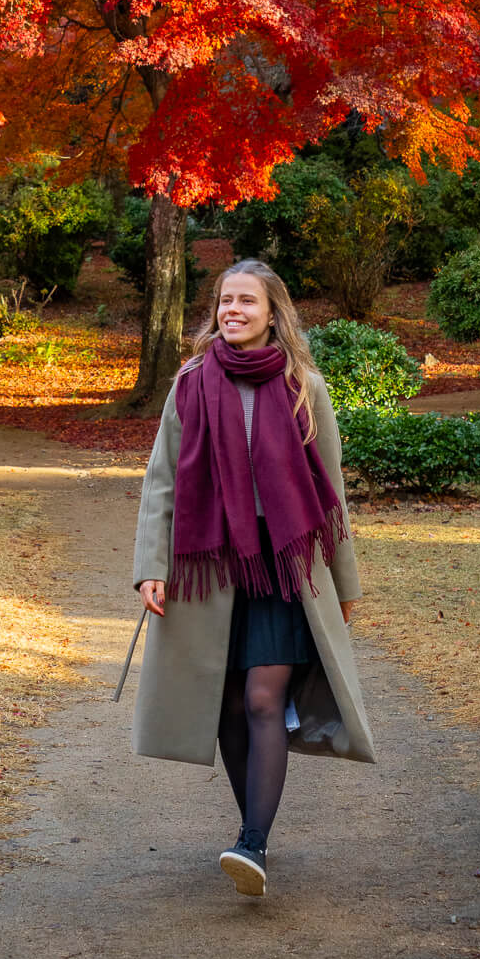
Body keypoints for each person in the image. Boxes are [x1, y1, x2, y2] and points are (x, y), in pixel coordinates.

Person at [129, 258, 375, 897]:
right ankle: (252, 827)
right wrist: (150, 568)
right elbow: (162, 483)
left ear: (273, 312)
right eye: (224, 301)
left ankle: (252, 843)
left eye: (246, 301)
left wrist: (345, 586)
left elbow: (331, 494)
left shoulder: (304, 386)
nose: (231, 311)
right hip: (209, 562)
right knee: (230, 704)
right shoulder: (188, 383)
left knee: (266, 698)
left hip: (284, 564)